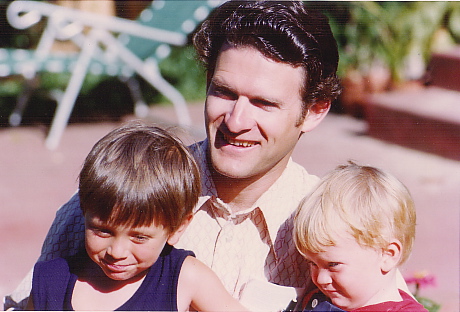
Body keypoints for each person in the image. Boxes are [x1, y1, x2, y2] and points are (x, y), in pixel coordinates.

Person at [6, 1, 389, 309]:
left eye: (264, 103)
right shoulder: (121, 196)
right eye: (223, 92)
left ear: (315, 110)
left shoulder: (338, 224)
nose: (236, 120)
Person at [26, 122, 248, 311]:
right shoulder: (51, 281)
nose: (117, 252)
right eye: (103, 230)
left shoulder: (184, 278)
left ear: (177, 229)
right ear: (84, 209)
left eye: (139, 237)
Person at [294, 162, 428, 312]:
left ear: (387, 255)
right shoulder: (320, 299)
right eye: (312, 263)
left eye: (333, 265)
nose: (320, 279)